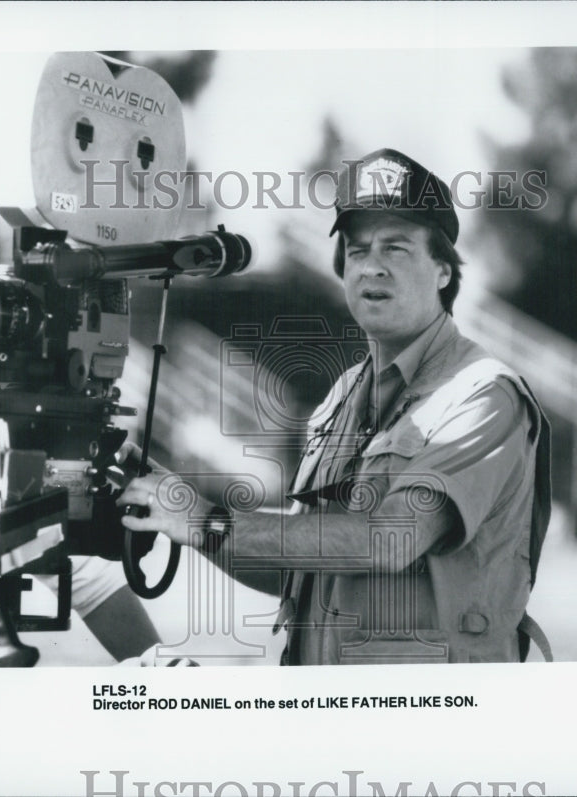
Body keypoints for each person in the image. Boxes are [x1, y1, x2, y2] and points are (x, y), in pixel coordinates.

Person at [119, 148, 552, 665]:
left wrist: (206, 521)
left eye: (396, 248)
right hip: (326, 716)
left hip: (432, 722)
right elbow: (297, 569)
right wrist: (169, 502)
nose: (372, 266)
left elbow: (391, 540)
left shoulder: (483, 396)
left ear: (443, 271)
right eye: (357, 249)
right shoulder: (343, 397)